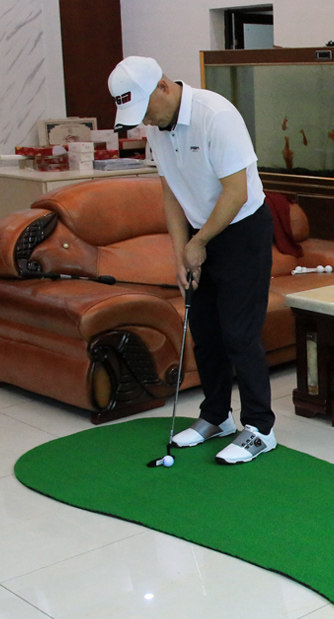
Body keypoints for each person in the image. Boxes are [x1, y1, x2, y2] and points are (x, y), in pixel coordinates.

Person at [108, 56, 276, 464]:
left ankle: (260, 428)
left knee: (239, 334)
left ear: (163, 86)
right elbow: (172, 193)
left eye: (146, 108)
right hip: (201, 232)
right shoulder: (157, 129)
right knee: (205, 330)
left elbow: (236, 192)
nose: (144, 120)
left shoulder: (215, 115)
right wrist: (180, 254)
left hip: (242, 230)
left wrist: (198, 243)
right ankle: (217, 417)